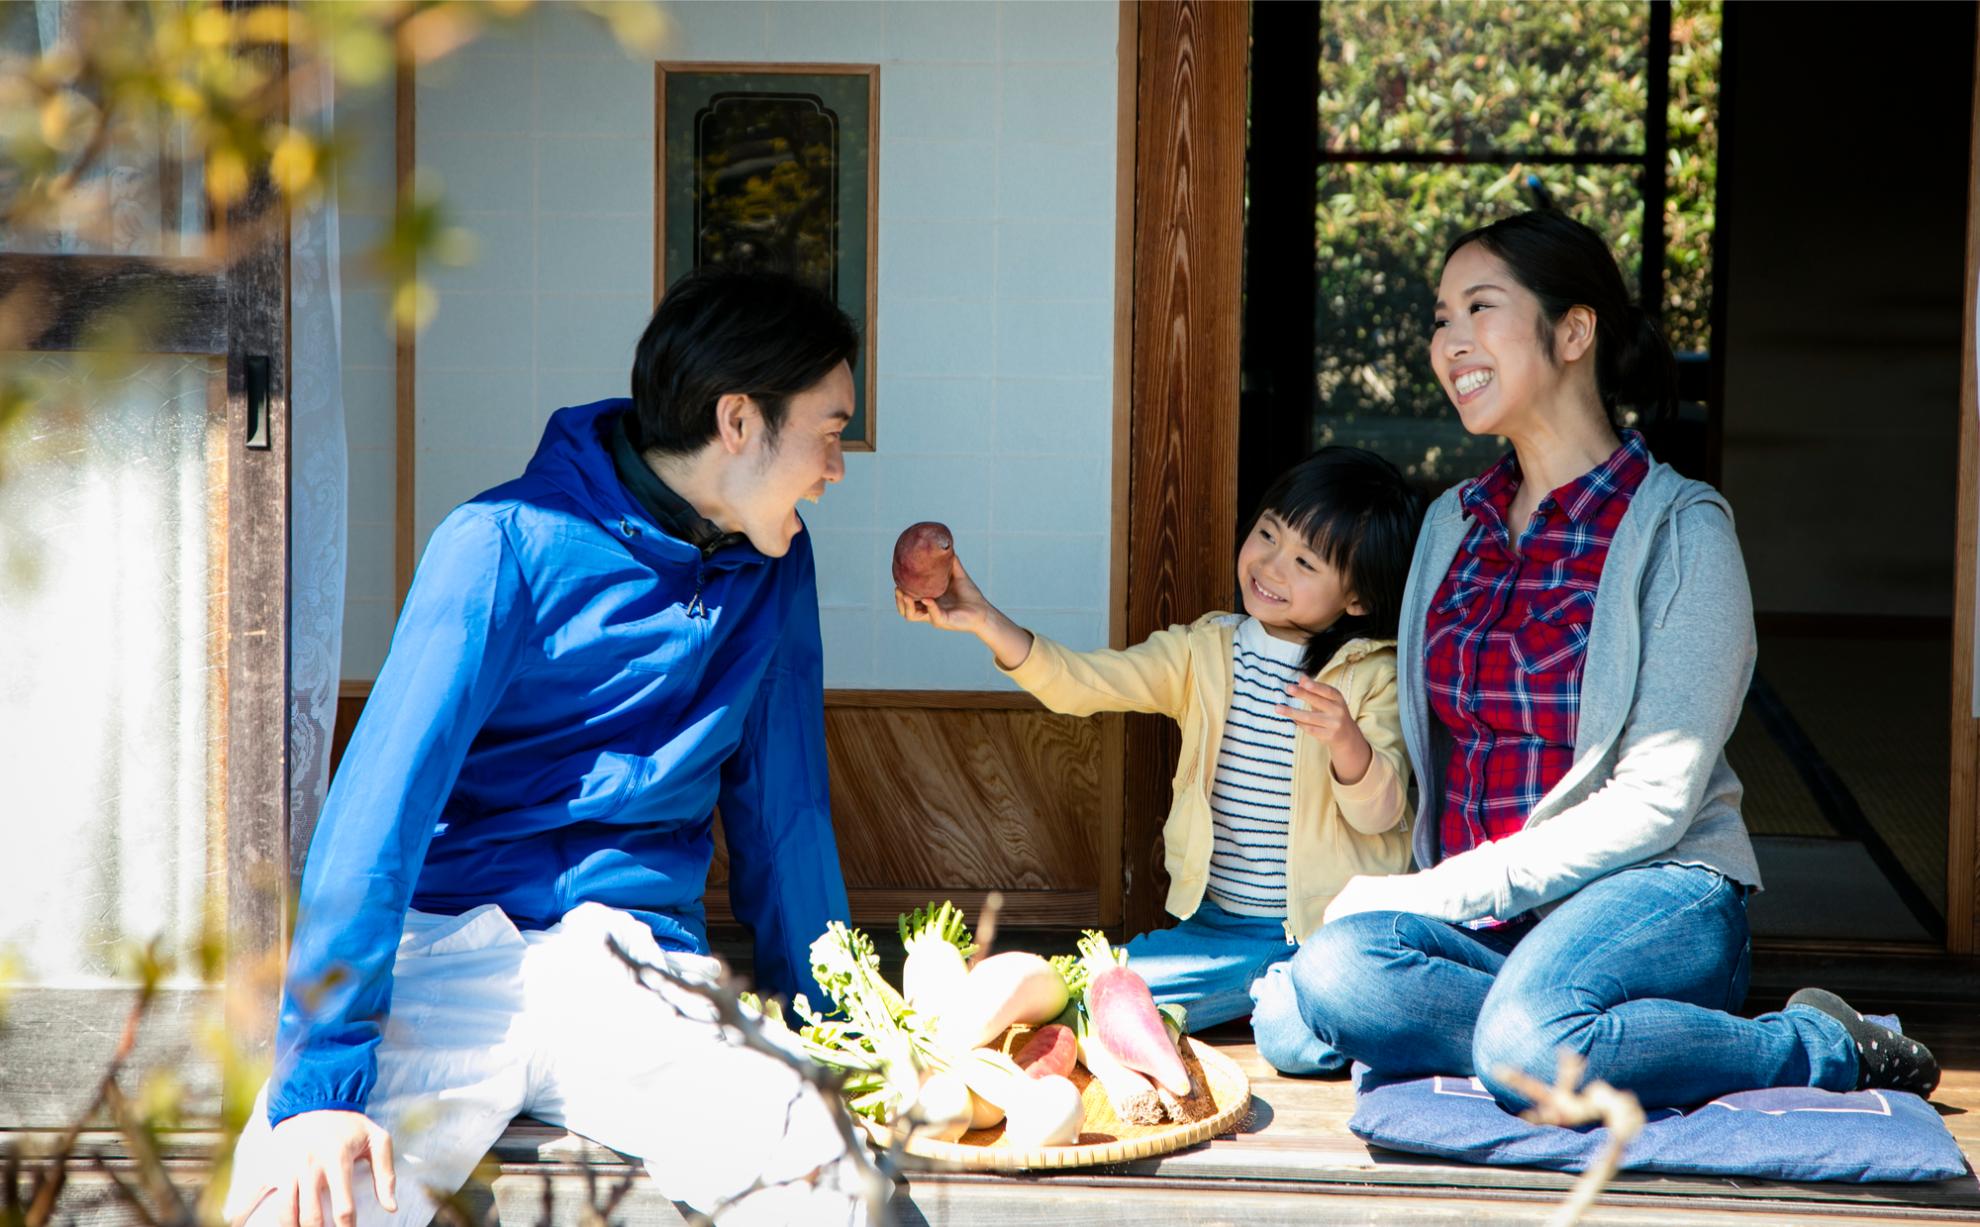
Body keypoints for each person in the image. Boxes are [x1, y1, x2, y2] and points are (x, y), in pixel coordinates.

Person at [223, 267, 875, 1227]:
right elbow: (379, 809)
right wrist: (320, 1079)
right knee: (305, 1201)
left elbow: (787, 814)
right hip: (449, 951)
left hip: (637, 965)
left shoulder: (773, 569)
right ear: (739, 421)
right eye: (829, 431)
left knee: (834, 1187)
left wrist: (844, 1024)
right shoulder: (500, 543)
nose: (837, 468)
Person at [1282, 209, 1940, 1110]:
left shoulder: (1681, 530)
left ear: (1574, 331)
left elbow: (1658, 800)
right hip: (1494, 928)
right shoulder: (1450, 526)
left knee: (1511, 1034)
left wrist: (1445, 888)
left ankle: (1814, 1043)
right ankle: (1588, 1039)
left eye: (1480, 308)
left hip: (1653, 895)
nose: (1450, 341)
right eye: (1441, 317)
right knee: (1335, 974)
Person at [898, 447, 1423, 1073]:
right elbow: (1084, 682)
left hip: (1319, 933)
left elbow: (1383, 815)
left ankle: (1299, 997)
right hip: (1214, 928)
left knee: (1238, 1023)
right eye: (1267, 535)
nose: (1271, 565)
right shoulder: (1205, 652)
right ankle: (1270, 995)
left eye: (1305, 562)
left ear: (1358, 598)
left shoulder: (1374, 677)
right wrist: (985, 620)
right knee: (1097, 982)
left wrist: (1347, 743)